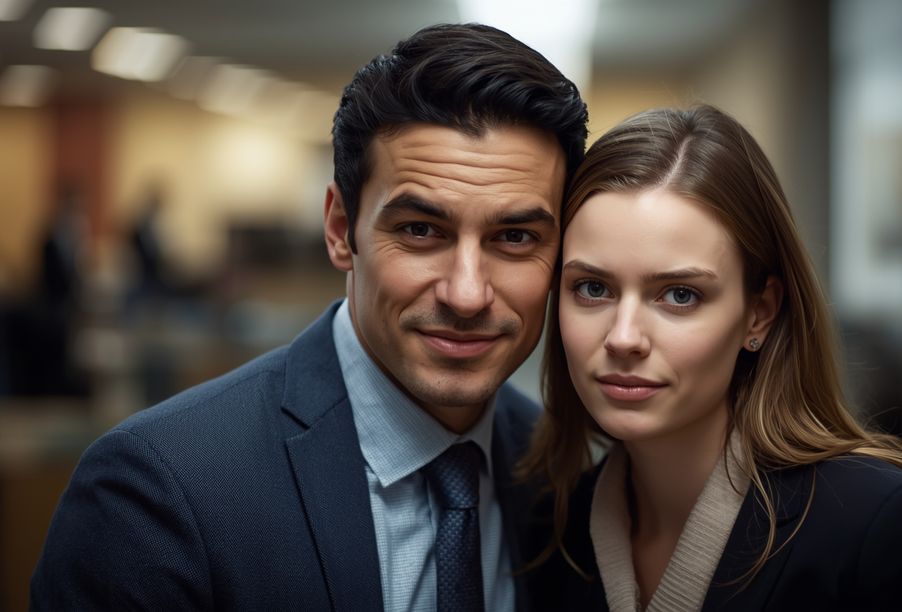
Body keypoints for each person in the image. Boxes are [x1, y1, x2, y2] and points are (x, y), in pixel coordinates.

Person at [32, 23, 587, 611]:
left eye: (516, 236)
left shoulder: (563, 475)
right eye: (421, 230)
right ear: (341, 230)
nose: (468, 294)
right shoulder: (158, 491)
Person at [520, 106, 902, 611]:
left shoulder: (880, 529)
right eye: (592, 288)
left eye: (679, 295)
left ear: (759, 314)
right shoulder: (551, 530)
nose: (624, 337)